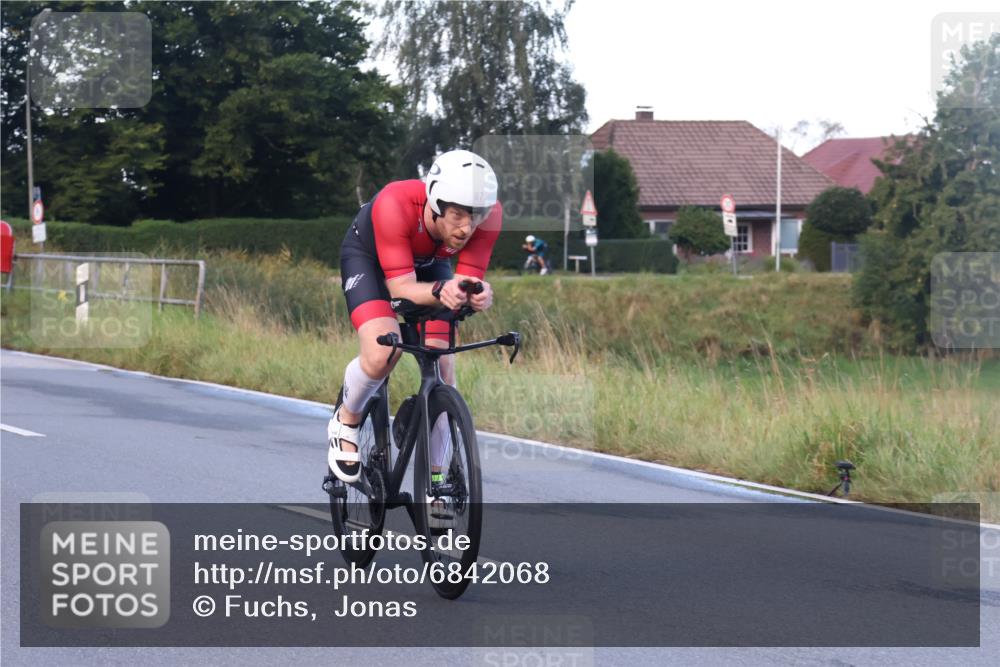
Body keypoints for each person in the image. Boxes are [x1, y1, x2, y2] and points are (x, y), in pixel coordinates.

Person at [328, 149, 502, 497]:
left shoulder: (490, 216)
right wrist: (442, 290)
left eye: (476, 216)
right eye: (456, 215)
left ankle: (436, 483)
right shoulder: (395, 203)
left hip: (429, 265)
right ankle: (345, 421)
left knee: (443, 368)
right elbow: (401, 289)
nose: (467, 227)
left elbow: (465, 282)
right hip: (372, 261)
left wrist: (478, 292)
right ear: (436, 202)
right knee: (383, 351)